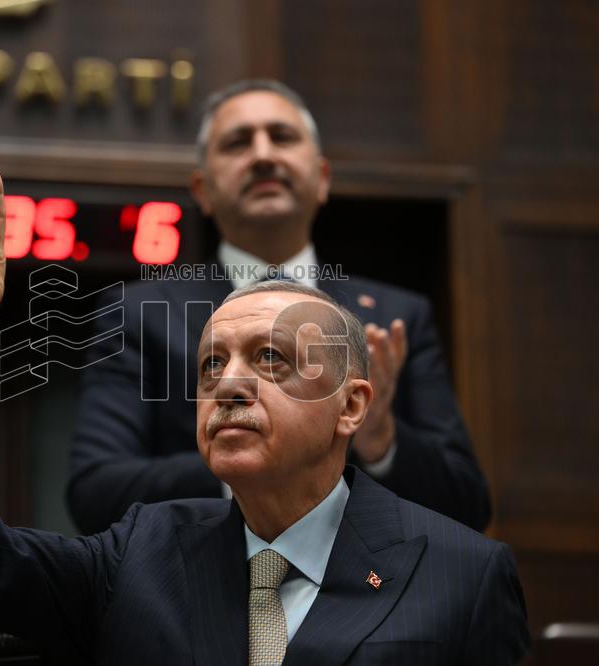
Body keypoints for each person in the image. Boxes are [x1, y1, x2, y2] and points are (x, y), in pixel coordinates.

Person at [0, 156, 529, 664]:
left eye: (271, 359)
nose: (229, 385)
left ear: (351, 406)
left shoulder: (463, 574)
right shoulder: (140, 554)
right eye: (210, 366)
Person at [68, 79, 492, 535]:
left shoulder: (395, 317)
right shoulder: (140, 312)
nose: (263, 155)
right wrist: (244, 457)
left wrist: (381, 440)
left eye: (282, 137)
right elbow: (96, 492)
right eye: (238, 142)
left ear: (323, 178)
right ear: (203, 191)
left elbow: (467, 505)